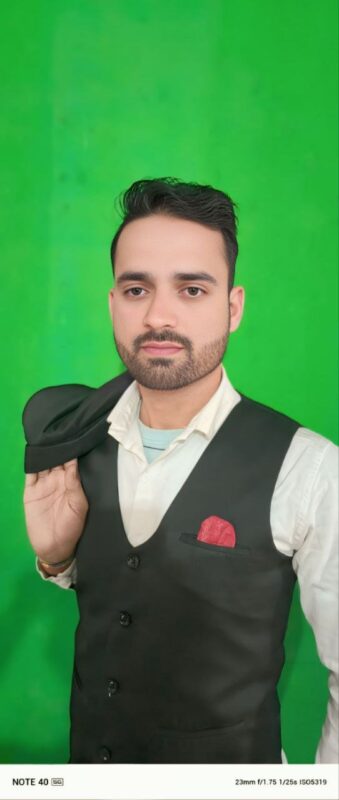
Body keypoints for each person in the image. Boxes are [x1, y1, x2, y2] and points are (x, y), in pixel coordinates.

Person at [22, 177, 338, 765]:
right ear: (112, 304)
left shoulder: (310, 467)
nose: (160, 315)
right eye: (137, 288)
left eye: (192, 289)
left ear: (233, 306)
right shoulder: (74, 441)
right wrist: (58, 560)